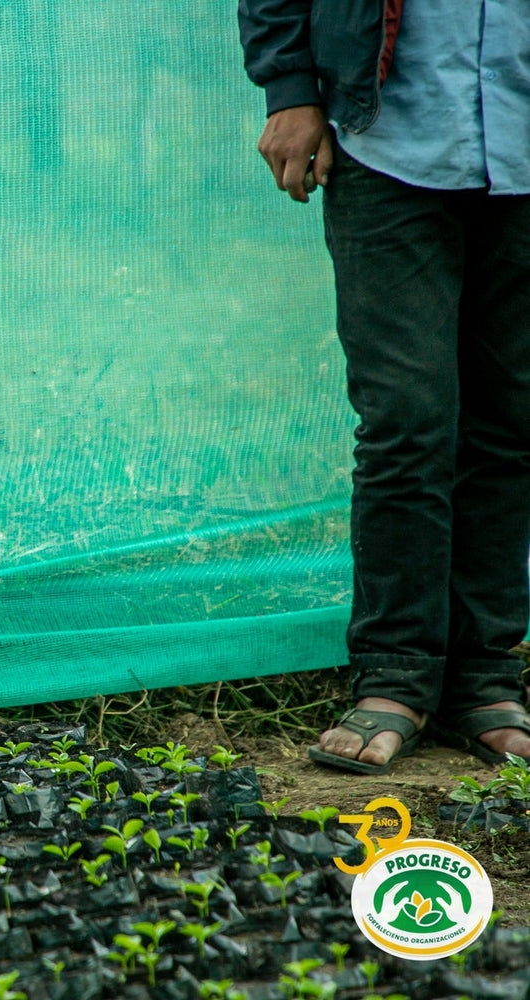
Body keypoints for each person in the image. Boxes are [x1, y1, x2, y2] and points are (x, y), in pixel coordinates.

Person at [238, 0, 530, 773]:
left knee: (510, 420)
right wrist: (291, 89)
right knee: (407, 417)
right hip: (389, 141)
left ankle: (485, 678)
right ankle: (395, 675)